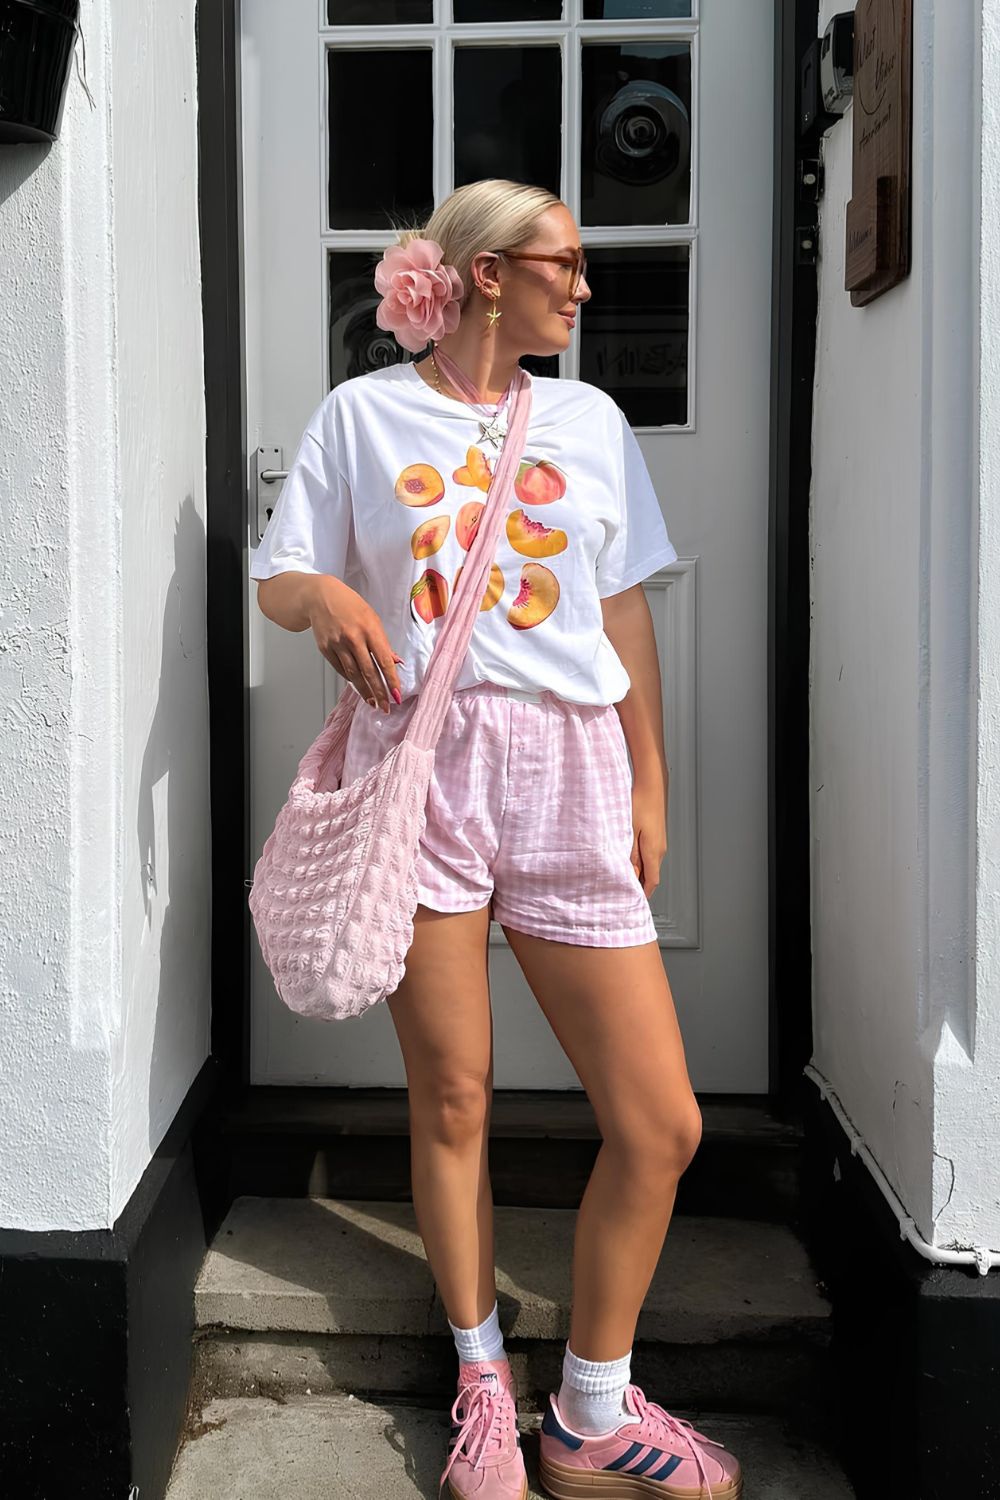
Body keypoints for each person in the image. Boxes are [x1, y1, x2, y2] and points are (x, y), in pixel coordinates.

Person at [251, 178, 742, 1500]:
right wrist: (326, 602)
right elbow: (279, 568)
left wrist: (650, 779)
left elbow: (623, 607)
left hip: (569, 769)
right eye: (562, 266)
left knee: (660, 1122)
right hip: (423, 765)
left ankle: (590, 1409)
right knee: (454, 1093)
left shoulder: (586, 419)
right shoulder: (362, 416)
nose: (583, 288)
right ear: (483, 276)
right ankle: (482, 1379)